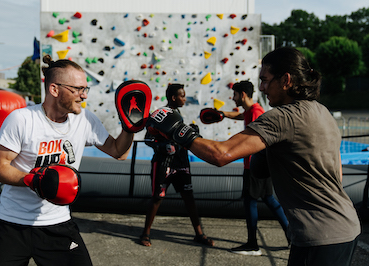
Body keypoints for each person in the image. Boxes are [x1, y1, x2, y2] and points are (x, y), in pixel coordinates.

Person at [147, 47, 361, 265]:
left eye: (265, 80)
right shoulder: (322, 111)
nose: (261, 88)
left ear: (286, 80)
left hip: (319, 235)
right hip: (345, 226)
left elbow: (221, 154)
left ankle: (252, 242)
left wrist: (178, 131)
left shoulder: (282, 117)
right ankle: (252, 241)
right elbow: (338, 175)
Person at [0, 55, 142, 265]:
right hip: (12, 225)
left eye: (86, 89)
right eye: (78, 89)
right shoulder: (22, 119)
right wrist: (35, 180)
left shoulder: (85, 120)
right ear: (54, 89)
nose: (84, 95)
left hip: (57, 224)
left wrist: (129, 128)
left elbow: (118, 152)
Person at [140, 83, 214, 247]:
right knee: (157, 198)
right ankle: (145, 233)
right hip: (163, 162)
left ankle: (199, 234)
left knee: (189, 198)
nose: (184, 98)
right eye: (182, 95)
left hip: (181, 162)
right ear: (174, 98)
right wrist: (161, 146)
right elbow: (147, 138)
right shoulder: (159, 115)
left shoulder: (178, 114)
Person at [221, 81, 289, 256]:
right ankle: (291, 235)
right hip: (261, 164)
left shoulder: (256, 112)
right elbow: (240, 116)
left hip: (254, 166)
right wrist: (222, 114)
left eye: (235, 94)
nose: (233, 98)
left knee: (250, 201)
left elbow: (251, 140)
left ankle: (252, 244)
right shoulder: (251, 111)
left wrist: (227, 151)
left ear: (242, 94)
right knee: (269, 199)